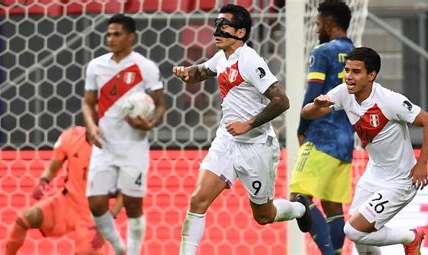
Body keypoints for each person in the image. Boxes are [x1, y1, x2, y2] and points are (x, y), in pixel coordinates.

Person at [173, 4, 312, 255]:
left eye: (223, 26)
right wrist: (186, 73)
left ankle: (300, 208)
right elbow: (201, 72)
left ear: (240, 33)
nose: (216, 30)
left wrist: (248, 124)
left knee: (263, 215)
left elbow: (282, 101)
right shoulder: (222, 57)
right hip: (226, 141)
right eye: (216, 24)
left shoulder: (250, 61)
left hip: (256, 147)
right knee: (197, 200)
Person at [301, 47, 428, 255]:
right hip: (374, 174)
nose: (348, 76)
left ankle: (411, 237)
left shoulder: (389, 100)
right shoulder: (343, 93)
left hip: (400, 180)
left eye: (356, 72)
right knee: (362, 241)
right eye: (347, 70)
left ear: (371, 75)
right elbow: (307, 114)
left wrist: (422, 163)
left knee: (353, 230)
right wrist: (316, 105)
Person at [82, 14, 166, 255]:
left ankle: (133, 252)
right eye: (109, 34)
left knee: (132, 204)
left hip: (134, 146)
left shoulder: (145, 67)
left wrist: (148, 125)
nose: (111, 39)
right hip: (104, 145)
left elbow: (160, 105)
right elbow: (88, 103)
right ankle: (119, 248)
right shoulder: (96, 66)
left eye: (117, 34)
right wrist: (91, 125)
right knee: (96, 203)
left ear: (131, 37)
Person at [289, 1, 354, 254]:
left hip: (322, 136)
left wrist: (302, 127)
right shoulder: (358, 54)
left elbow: (313, 94)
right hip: (346, 140)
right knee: (333, 207)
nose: (316, 29)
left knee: (298, 197)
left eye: (317, 24)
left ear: (328, 22)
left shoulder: (323, 51)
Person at [5, 126, 122, 255]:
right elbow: (52, 169)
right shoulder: (71, 137)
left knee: (87, 251)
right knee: (25, 218)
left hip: (92, 215)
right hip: (67, 202)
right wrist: (43, 181)